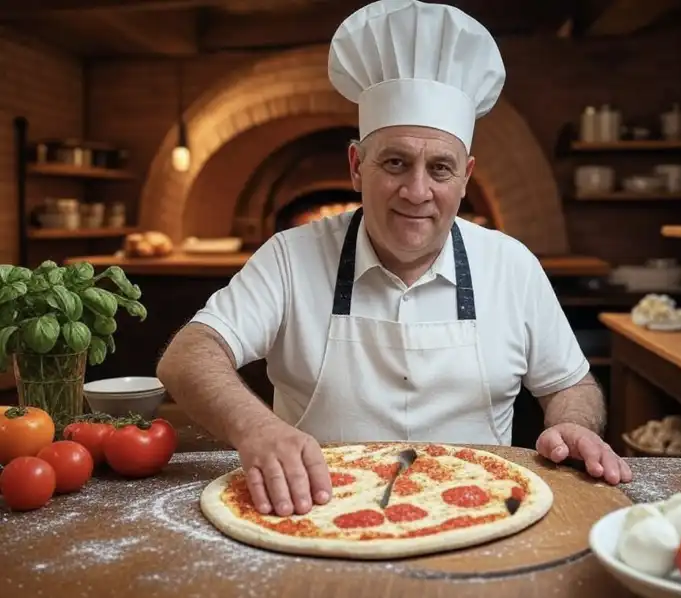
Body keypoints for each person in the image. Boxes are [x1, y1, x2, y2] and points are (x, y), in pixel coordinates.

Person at [156, 0, 632, 519]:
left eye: (440, 168)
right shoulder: (291, 257)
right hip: (316, 514)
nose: (417, 191)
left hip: (481, 512)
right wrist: (258, 427)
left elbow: (570, 384)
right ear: (357, 165)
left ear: (466, 176)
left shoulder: (511, 265)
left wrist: (574, 425)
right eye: (396, 162)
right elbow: (187, 355)